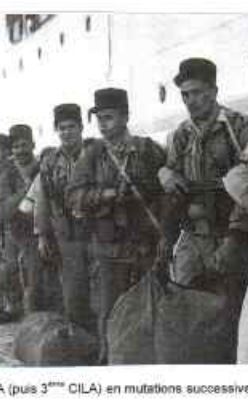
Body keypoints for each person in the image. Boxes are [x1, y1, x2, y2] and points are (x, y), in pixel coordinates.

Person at [158, 58, 248, 353]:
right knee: (189, 306)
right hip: (193, 237)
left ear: (214, 91)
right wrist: (164, 174)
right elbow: (172, 189)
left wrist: (233, 239)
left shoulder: (238, 128)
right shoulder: (179, 135)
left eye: (197, 92)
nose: (191, 100)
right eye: (185, 94)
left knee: (234, 311)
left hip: (232, 236)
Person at [67, 88, 166, 363]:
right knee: (109, 311)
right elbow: (73, 196)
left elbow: (166, 192)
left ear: (125, 117)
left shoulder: (148, 150)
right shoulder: (93, 155)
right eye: (99, 118)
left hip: (145, 246)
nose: (102, 124)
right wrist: (106, 195)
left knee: (149, 306)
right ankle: (108, 361)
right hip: (109, 249)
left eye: (108, 117)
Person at [34, 103, 95, 332]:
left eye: (71, 127)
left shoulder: (96, 153)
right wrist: (42, 235)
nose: (66, 132)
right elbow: (43, 199)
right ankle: (79, 336)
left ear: (81, 127)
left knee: (98, 287)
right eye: (61, 128)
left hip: (96, 230)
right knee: (73, 288)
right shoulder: (49, 162)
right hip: (66, 233)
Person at [0, 124, 42, 321]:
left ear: (32, 144)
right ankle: (11, 307)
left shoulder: (43, 168)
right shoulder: (8, 175)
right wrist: (25, 192)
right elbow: (2, 211)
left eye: (24, 145)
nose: (20, 151)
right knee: (10, 271)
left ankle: (34, 314)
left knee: (35, 277)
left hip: (38, 232)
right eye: (15, 147)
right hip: (13, 232)